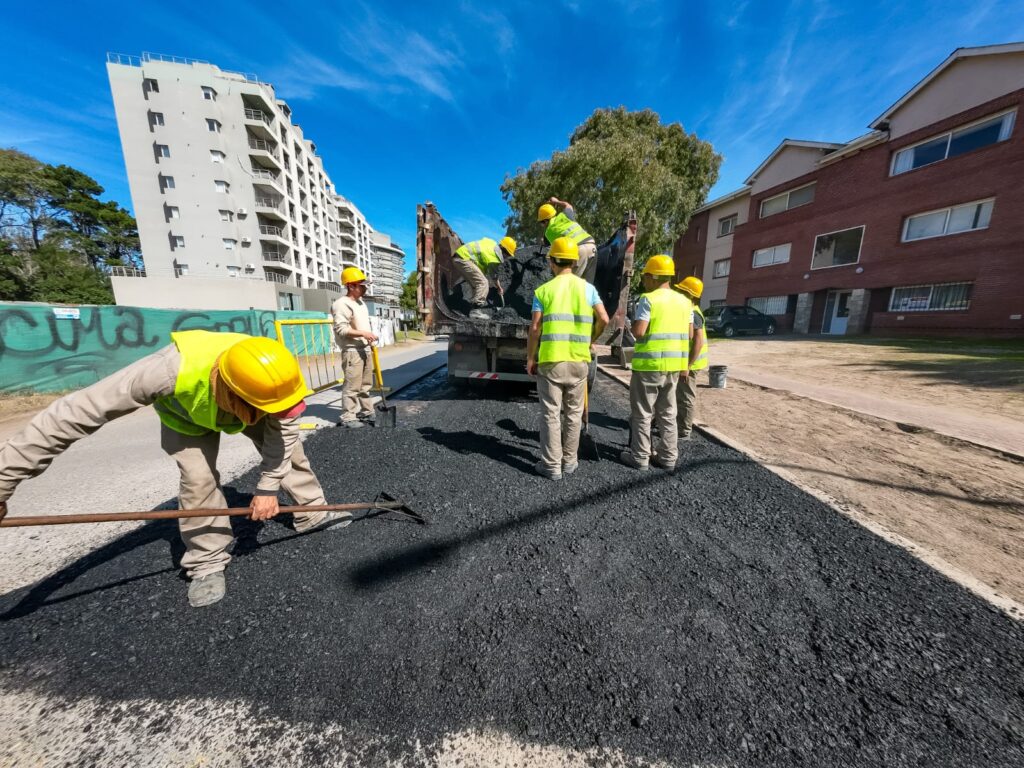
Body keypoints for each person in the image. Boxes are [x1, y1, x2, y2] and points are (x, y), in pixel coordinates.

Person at [0, 331, 345, 608]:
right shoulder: (163, 371)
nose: (286, 413)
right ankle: (207, 561)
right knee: (198, 482)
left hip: (254, 406)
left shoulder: (275, 374)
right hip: (186, 415)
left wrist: (268, 487)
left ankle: (312, 512)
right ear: (233, 393)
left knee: (291, 454)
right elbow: (71, 415)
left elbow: (283, 432)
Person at [526, 237, 609, 480]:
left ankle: (551, 466)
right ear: (574, 262)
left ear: (552, 262)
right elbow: (604, 318)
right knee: (573, 413)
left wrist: (531, 357)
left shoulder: (543, 291)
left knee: (551, 413)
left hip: (551, 362)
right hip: (579, 361)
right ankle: (569, 461)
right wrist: (591, 339)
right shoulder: (588, 289)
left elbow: (534, 329)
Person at [620, 255, 693, 471]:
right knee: (668, 412)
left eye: (645, 277)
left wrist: (630, 327)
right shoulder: (685, 302)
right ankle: (668, 457)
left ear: (652, 276)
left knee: (643, 412)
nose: (644, 281)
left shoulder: (649, 299)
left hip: (649, 366)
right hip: (673, 366)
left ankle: (640, 457)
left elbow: (640, 332)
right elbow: (689, 333)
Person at [332, 266, 378, 428]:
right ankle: (348, 416)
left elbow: (362, 325)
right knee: (352, 386)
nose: (365, 287)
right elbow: (341, 329)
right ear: (351, 286)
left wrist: (368, 337)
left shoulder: (360, 303)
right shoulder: (341, 304)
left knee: (366, 385)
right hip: (352, 351)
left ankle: (367, 411)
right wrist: (363, 334)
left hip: (364, 349)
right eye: (362, 285)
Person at [673, 276, 708, 440]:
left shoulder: (693, 313)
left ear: (689, 295)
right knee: (679, 394)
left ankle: (684, 430)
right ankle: (678, 424)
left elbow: (698, 341)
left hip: (691, 364)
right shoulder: (690, 310)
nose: (678, 292)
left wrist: (688, 365)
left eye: (681, 291)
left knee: (686, 397)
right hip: (688, 361)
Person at [453, 236, 517, 320]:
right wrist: (499, 287)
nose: (506, 257)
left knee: (476, 285)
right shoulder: (495, 257)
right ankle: (475, 311)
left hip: (459, 257)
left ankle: (471, 308)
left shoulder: (491, 244)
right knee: (483, 283)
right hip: (464, 259)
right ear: (503, 249)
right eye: (507, 254)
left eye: (508, 255)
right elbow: (494, 275)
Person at [537, 198, 597, 281]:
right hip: (592, 246)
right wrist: (556, 201)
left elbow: (547, 245)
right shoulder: (565, 215)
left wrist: (542, 241)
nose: (542, 226)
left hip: (578, 251)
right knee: (587, 287)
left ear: (545, 221)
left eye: (542, 223)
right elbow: (567, 205)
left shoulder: (548, 232)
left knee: (568, 286)